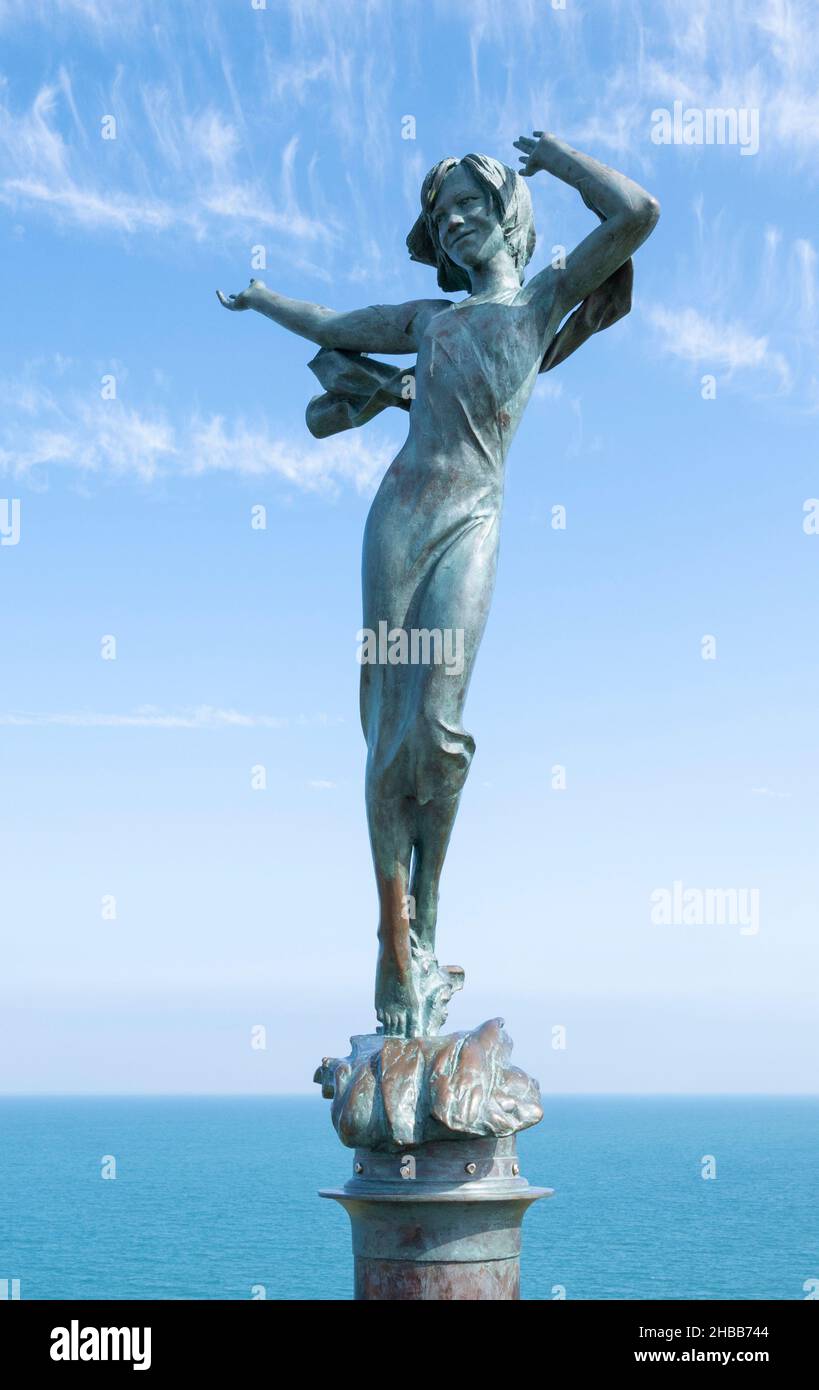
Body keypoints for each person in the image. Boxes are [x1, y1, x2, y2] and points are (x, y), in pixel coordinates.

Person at [217, 131, 660, 1038]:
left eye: (469, 204)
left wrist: (560, 160)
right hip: (397, 522)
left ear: (504, 211)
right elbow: (336, 327)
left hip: (470, 521)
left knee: (438, 724)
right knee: (386, 726)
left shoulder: (542, 302)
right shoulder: (429, 322)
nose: (454, 222)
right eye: (440, 213)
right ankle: (393, 937)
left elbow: (636, 214)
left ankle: (429, 910)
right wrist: (262, 300)